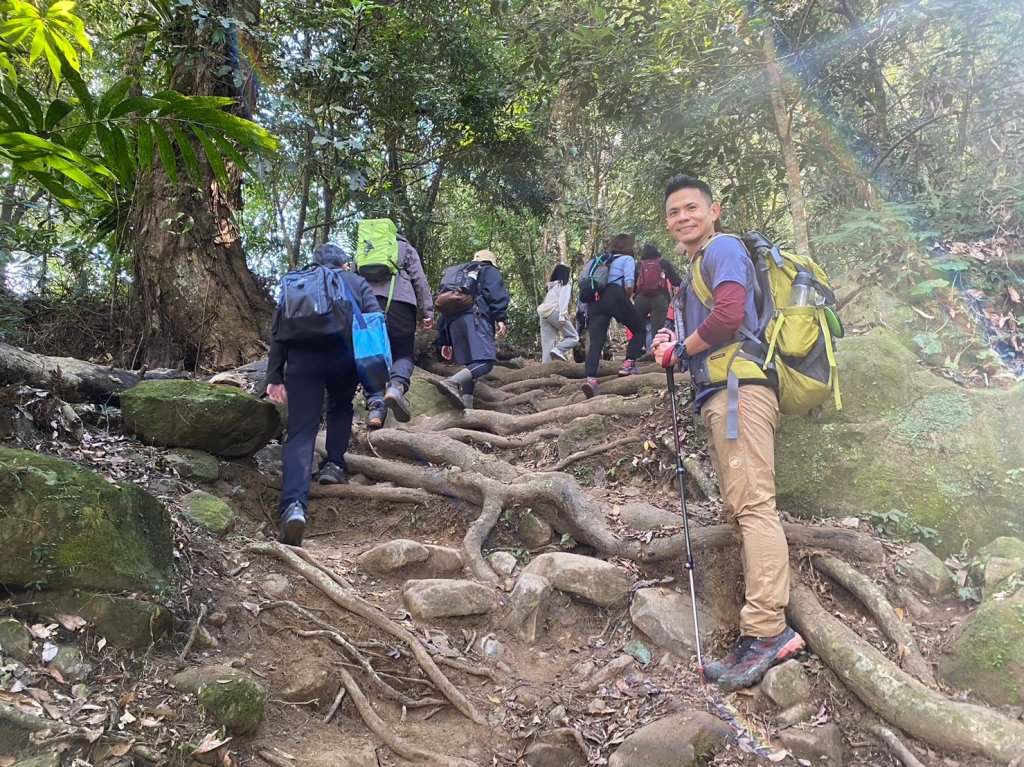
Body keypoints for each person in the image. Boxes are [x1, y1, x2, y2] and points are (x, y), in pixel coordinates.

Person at [651, 174, 804, 691]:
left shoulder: (723, 249)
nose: (683, 217)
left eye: (692, 207)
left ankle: (767, 632)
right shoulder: (695, 267)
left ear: (714, 210)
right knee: (743, 505)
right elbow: (700, 320)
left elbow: (731, 314)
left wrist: (682, 349)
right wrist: (670, 336)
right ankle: (759, 629)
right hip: (723, 393)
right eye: (674, 212)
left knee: (754, 505)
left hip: (740, 390)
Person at [266, 243, 381, 546]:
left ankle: (294, 506)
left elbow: (277, 329)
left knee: (301, 433)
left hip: (301, 362)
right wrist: (377, 377)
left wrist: (274, 376)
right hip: (344, 358)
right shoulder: (356, 282)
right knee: (341, 408)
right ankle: (334, 465)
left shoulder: (297, 282)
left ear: (314, 264)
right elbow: (374, 320)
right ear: (344, 264)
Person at [360, 227, 434, 429]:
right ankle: (395, 387)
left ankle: (376, 408)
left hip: (367, 305)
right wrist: (427, 312)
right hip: (400, 303)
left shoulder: (365, 248)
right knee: (403, 354)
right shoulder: (405, 248)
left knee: (371, 356)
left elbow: (353, 280)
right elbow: (419, 280)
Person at [434, 249, 509, 409]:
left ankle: (467, 407)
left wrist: (445, 339)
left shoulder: (460, 273)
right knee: (485, 363)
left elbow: (447, 305)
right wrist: (500, 318)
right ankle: (452, 382)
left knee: (472, 365)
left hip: (453, 322)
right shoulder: (489, 270)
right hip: (475, 318)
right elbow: (495, 293)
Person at [581, 233, 646, 398]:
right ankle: (628, 365)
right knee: (639, 329)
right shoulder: (627, 259)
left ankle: (590, 380)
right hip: (615, 295)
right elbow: (629, 284)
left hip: (595, 299)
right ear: (629, 246)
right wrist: (626, 299)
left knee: (596, 342)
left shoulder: (599, 260)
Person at [632, 243, 682, 350]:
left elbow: (631, 283)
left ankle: (635, 353)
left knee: (638, 327)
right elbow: (677, 281)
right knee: (658, 329)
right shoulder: (664, 263)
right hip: (660, 299)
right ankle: (656, 354)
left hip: (641, 298)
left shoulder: (638, 265)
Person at [537, 264, 579, 362]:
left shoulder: (551, 287)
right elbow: (562, 300)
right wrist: (562, 316)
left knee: (547, 344)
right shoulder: (565, 285)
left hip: (543, 315)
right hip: (555, 312)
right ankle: (558, 350)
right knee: (573, 337)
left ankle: (545, 370)